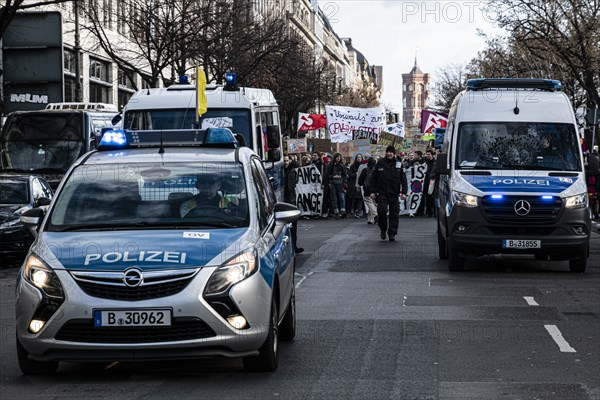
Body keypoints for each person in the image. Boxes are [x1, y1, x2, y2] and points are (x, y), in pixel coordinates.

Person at [373, 146, 408, 241]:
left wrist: (404, 193)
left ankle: (392, 233)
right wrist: (372, 191)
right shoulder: (380, 163)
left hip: (394, 193)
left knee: (394, 214)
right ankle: (383, 229)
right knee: (381, 211)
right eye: (388, 152)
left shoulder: (399, 164)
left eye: (391, 152)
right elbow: (374, 178)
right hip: (382, 193)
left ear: (394, 153)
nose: (389, 154)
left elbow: (403, 180)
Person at [283, 154, 304, 254]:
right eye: (284, 161)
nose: (285, 163)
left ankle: (294, 246)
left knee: (293, 226)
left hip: (292, 201)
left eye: (287, 161)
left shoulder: (294, 169)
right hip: (283, 201)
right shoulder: (279, 171)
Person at [325, 152, 347, 219]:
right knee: (334, 198)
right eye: (337, 157)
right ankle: (336, 212)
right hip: (332, 183)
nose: (338, 158)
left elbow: (344, 175)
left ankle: (343, 211)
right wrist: (333, 176)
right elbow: (326, 175)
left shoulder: (342, 165)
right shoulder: (330, 165)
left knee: (342, 198)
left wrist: (345, 183)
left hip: (341, 183)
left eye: (339, 157)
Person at [358, 156, 378, 224]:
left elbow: (360, 181)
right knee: (373, 203)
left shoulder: (365, 170)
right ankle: (370, 219)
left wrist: (360, 184)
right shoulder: (377, 170)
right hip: (375, 190)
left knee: (369, 203)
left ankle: (375, 215)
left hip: (366, 189)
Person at [348, 153, 364, 218]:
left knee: (360, 198)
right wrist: (356, 174)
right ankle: (355, 210)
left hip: (361, 184)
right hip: (354, 184)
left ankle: (359, 211)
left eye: (360, 157)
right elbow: (350, 174)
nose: (359, 158)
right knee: (355, 198)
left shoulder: (363, 165)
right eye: (358, 157)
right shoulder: (353, 166)